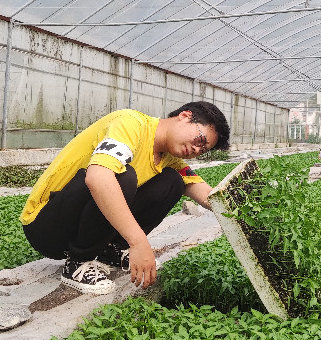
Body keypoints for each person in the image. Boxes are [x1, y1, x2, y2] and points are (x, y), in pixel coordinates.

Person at [19, 101, 230, 295]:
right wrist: (138, 242)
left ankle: (108, 251)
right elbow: (98, 178)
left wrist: (238, 209)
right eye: (200, 139)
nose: (196, 149)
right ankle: (77, 262)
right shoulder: (132, 124)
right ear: (185, 116)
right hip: (45, 226)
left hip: (73, 222)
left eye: (203, 150)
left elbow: (204, 192)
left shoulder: (169, 159)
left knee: (174, 181)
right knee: (121, 175)